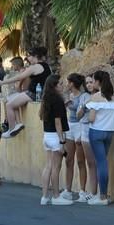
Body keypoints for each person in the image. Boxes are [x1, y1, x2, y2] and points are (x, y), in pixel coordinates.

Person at [86, 70, 114, 205]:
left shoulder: (96, 97)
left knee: (101, 163)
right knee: (103, 161)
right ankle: (102, 194)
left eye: (93, 80)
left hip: (96, 132)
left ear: (98, 82)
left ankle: (102, 196)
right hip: (110, 133)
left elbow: (91, 118)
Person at [1, 47, 52, 138]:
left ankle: (12, 128)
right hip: (40, 93)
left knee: (9, 105)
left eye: (29, 56)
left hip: (33, 94)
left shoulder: (35, 67)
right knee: (11, 99)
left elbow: (19, 77)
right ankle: (18, 123)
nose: (28, 58)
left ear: (35, 56)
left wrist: (2, 82)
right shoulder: (46, 66)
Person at [38, 75, 73, 205]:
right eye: (60, 84)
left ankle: (44, 196)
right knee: (55, 167)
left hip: (47, 135)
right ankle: (56, 196)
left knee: (48, 166)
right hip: (55, 137)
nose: (62, 86)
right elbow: (58, 122)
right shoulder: (57, 100)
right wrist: (62, 141)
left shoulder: (46, 98)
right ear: (54, 86)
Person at [60, 73, 86, 200]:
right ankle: (68, 190)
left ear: (73, 83)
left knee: (81, 161)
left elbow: (80, 112)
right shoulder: (68, 95)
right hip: (70, 126)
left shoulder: (83, 96)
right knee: (69, 159)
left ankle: (82, 191)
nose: (67, 84)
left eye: (69, 82)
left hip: (80, 126)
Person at [75, 74, 98, 202]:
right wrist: (84, 107)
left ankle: (94, 191)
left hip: (95, 128)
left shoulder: (100, 96)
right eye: (87, 82)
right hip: (84, 128)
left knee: (96, 161)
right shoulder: (84, 97)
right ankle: (87, 191)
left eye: (91, 82)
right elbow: (78, 115)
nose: (89, 85)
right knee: (88, 162)